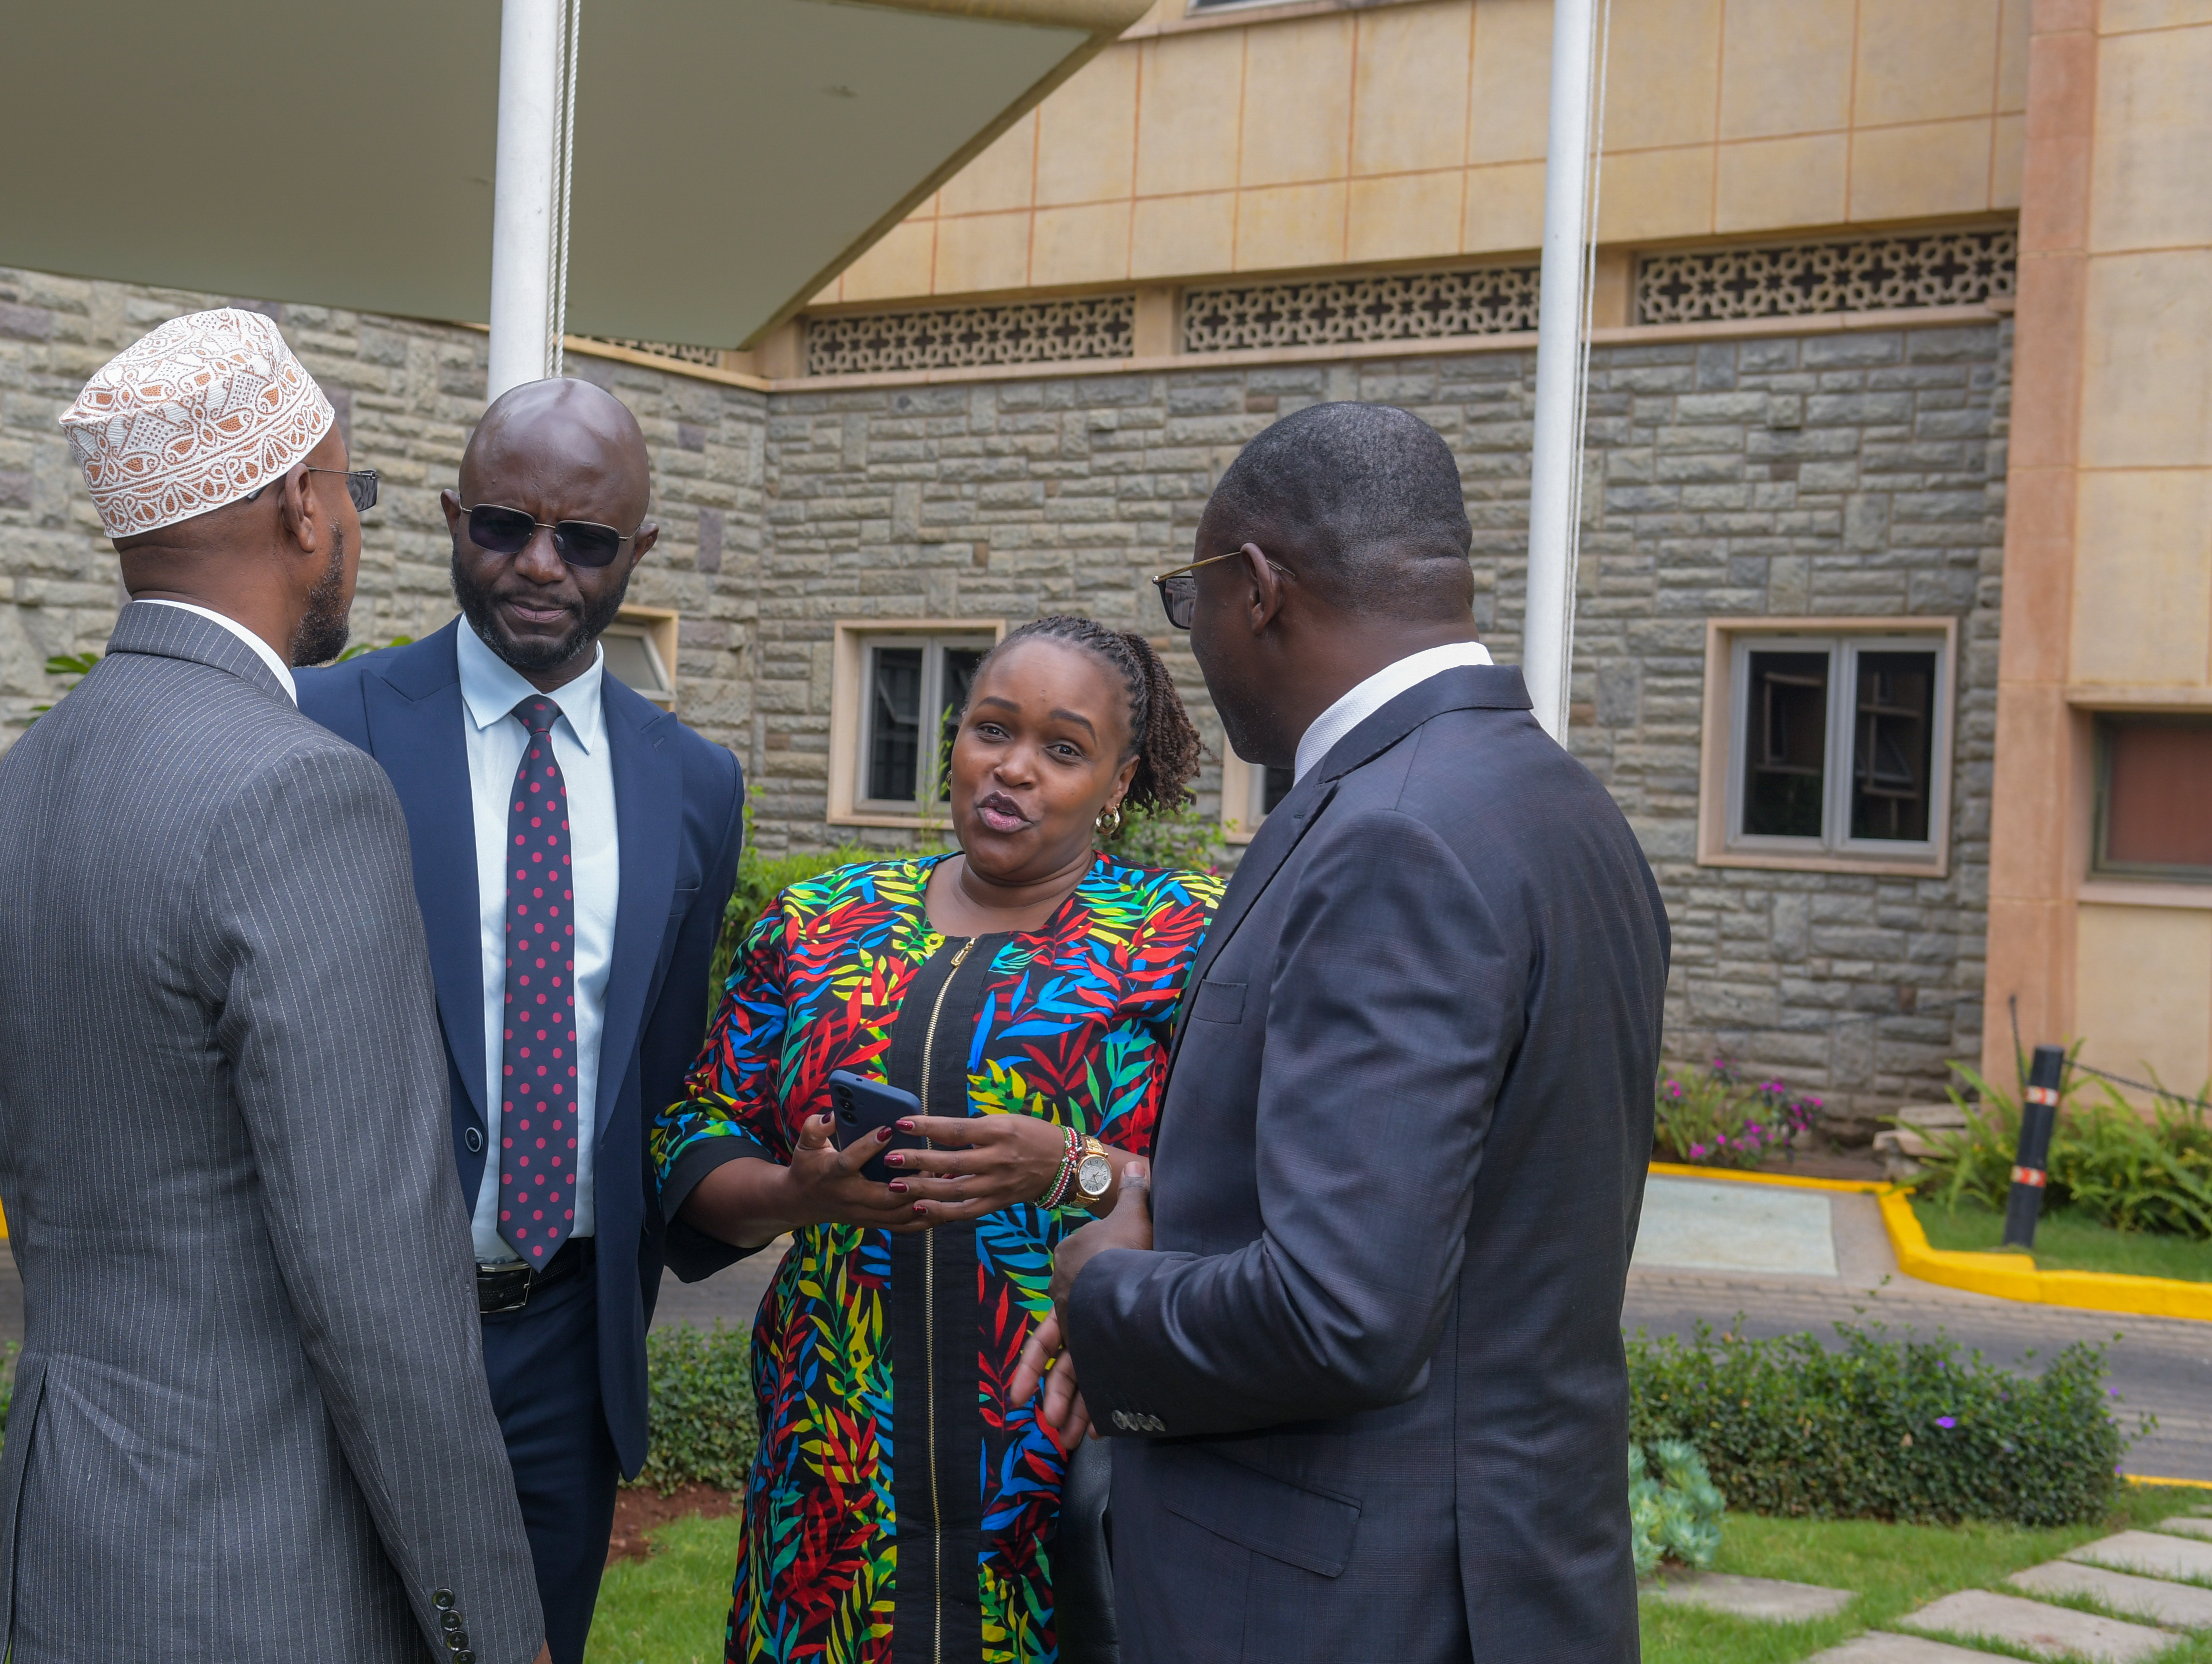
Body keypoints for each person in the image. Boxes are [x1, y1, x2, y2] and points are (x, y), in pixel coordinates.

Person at [1011, 403, 1671, 1663]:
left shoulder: (1392, 836)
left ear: (1258, 588)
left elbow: (1341, 1311)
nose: (1195, 635)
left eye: (1191, 598)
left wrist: (1107, 1292)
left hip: (1350, 1604)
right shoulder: (1565, 805)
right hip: (1520, 1577)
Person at [0, 309, 542, 1664]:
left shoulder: (19, 786)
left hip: (67, 1538)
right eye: (352, 488)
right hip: (264, 1560)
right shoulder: (302, 791)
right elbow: (381, 1289)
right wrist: (493, 1625)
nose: (354, 525)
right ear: (300, 507)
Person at [654, 615, 1222, 1664]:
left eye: (1063, 748)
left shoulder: (1185, 935)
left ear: (1119, 780)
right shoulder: (822, 923)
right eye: (991, 729)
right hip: (834, 1472)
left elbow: (1258, 1178)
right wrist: (793, 1193)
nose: (1013, 768)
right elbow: (695, 1129)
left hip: (1066, 1467)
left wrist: (1072, 1169)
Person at [296, 376, 746, 1664]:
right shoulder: (326, 724)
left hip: (567, 1349)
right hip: (368, 1337)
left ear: (638, 552)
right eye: (504, 526)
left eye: (585, 539)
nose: (540, 565)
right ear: (452, 518)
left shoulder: (696, 784)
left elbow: (665, 1068)